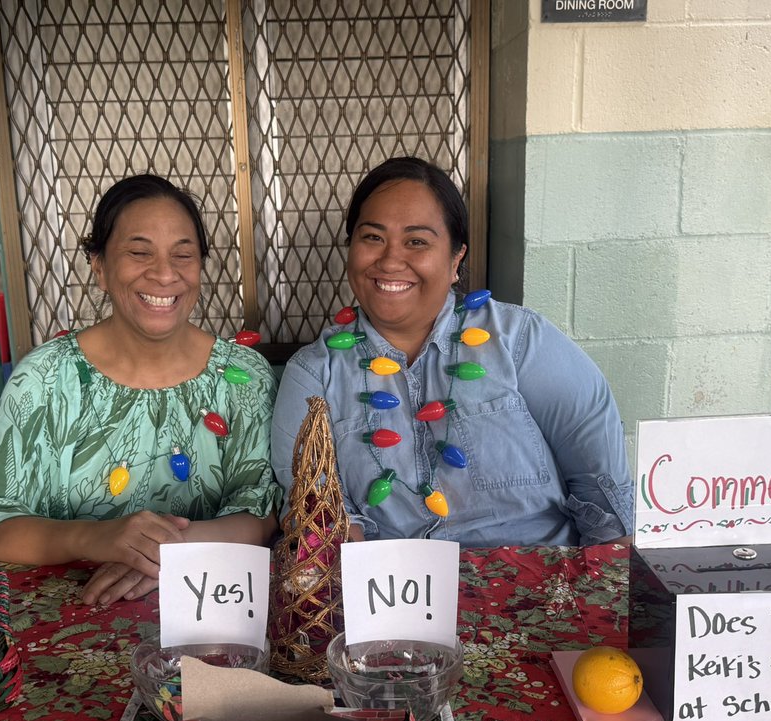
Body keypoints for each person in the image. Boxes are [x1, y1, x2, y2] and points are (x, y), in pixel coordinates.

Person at [271, 157, 633, 547]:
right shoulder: (314, 374)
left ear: (456, 258)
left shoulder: (520, 341)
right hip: (392, 596)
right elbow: (316, 515)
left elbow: (605, 494)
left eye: (417, 242)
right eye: (372, 237)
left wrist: (603, 594)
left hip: (539, 591)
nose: (391, 260)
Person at [0, 174, 280, 604]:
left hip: (208, 604)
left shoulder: (243, 376)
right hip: (72, 617)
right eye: (139, 252)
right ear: (100, 267)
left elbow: (261, 513)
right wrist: (94, 538)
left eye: (183, 254)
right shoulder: (46, 378)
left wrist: (171, 552)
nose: (165, 274)